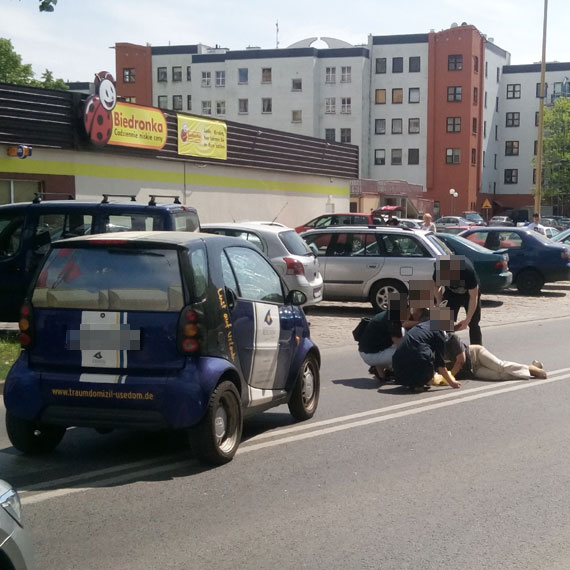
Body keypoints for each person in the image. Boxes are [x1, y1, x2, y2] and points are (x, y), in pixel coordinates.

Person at [392, 307, 461, 392]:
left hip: (398, 368)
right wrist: (451, 382)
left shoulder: (424, 325)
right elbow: (440, 364)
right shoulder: (438, 333)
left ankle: (412, 382)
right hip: (415, 358)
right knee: (430, 377)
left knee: (420, 353)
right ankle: (419, 383)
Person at [444, 332, 547, 380]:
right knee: (499, 376)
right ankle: (528, 370)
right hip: (472, 370)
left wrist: (448, 378)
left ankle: (531, 369)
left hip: (476, 354)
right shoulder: (430, 350)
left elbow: (460, 361)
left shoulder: (451, 338)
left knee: (500, 367)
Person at [434, 255, 482, 345]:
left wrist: (467, 320)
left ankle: (477, 351)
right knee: (442, 322)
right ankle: (445, 349)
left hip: (468, 294)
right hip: (451, 293)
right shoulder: (439, 268)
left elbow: (473, 297)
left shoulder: (467, 271)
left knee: (474, 324)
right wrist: (439, 303)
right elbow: (437, 287)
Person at [358, 293, 406, 380]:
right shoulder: (394, 320)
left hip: (366, 351)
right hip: (371, 355)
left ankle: (381, 374)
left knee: (403, 333)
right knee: (407, 352)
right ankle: (399, 373)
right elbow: (398, 342)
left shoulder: (385, 314)